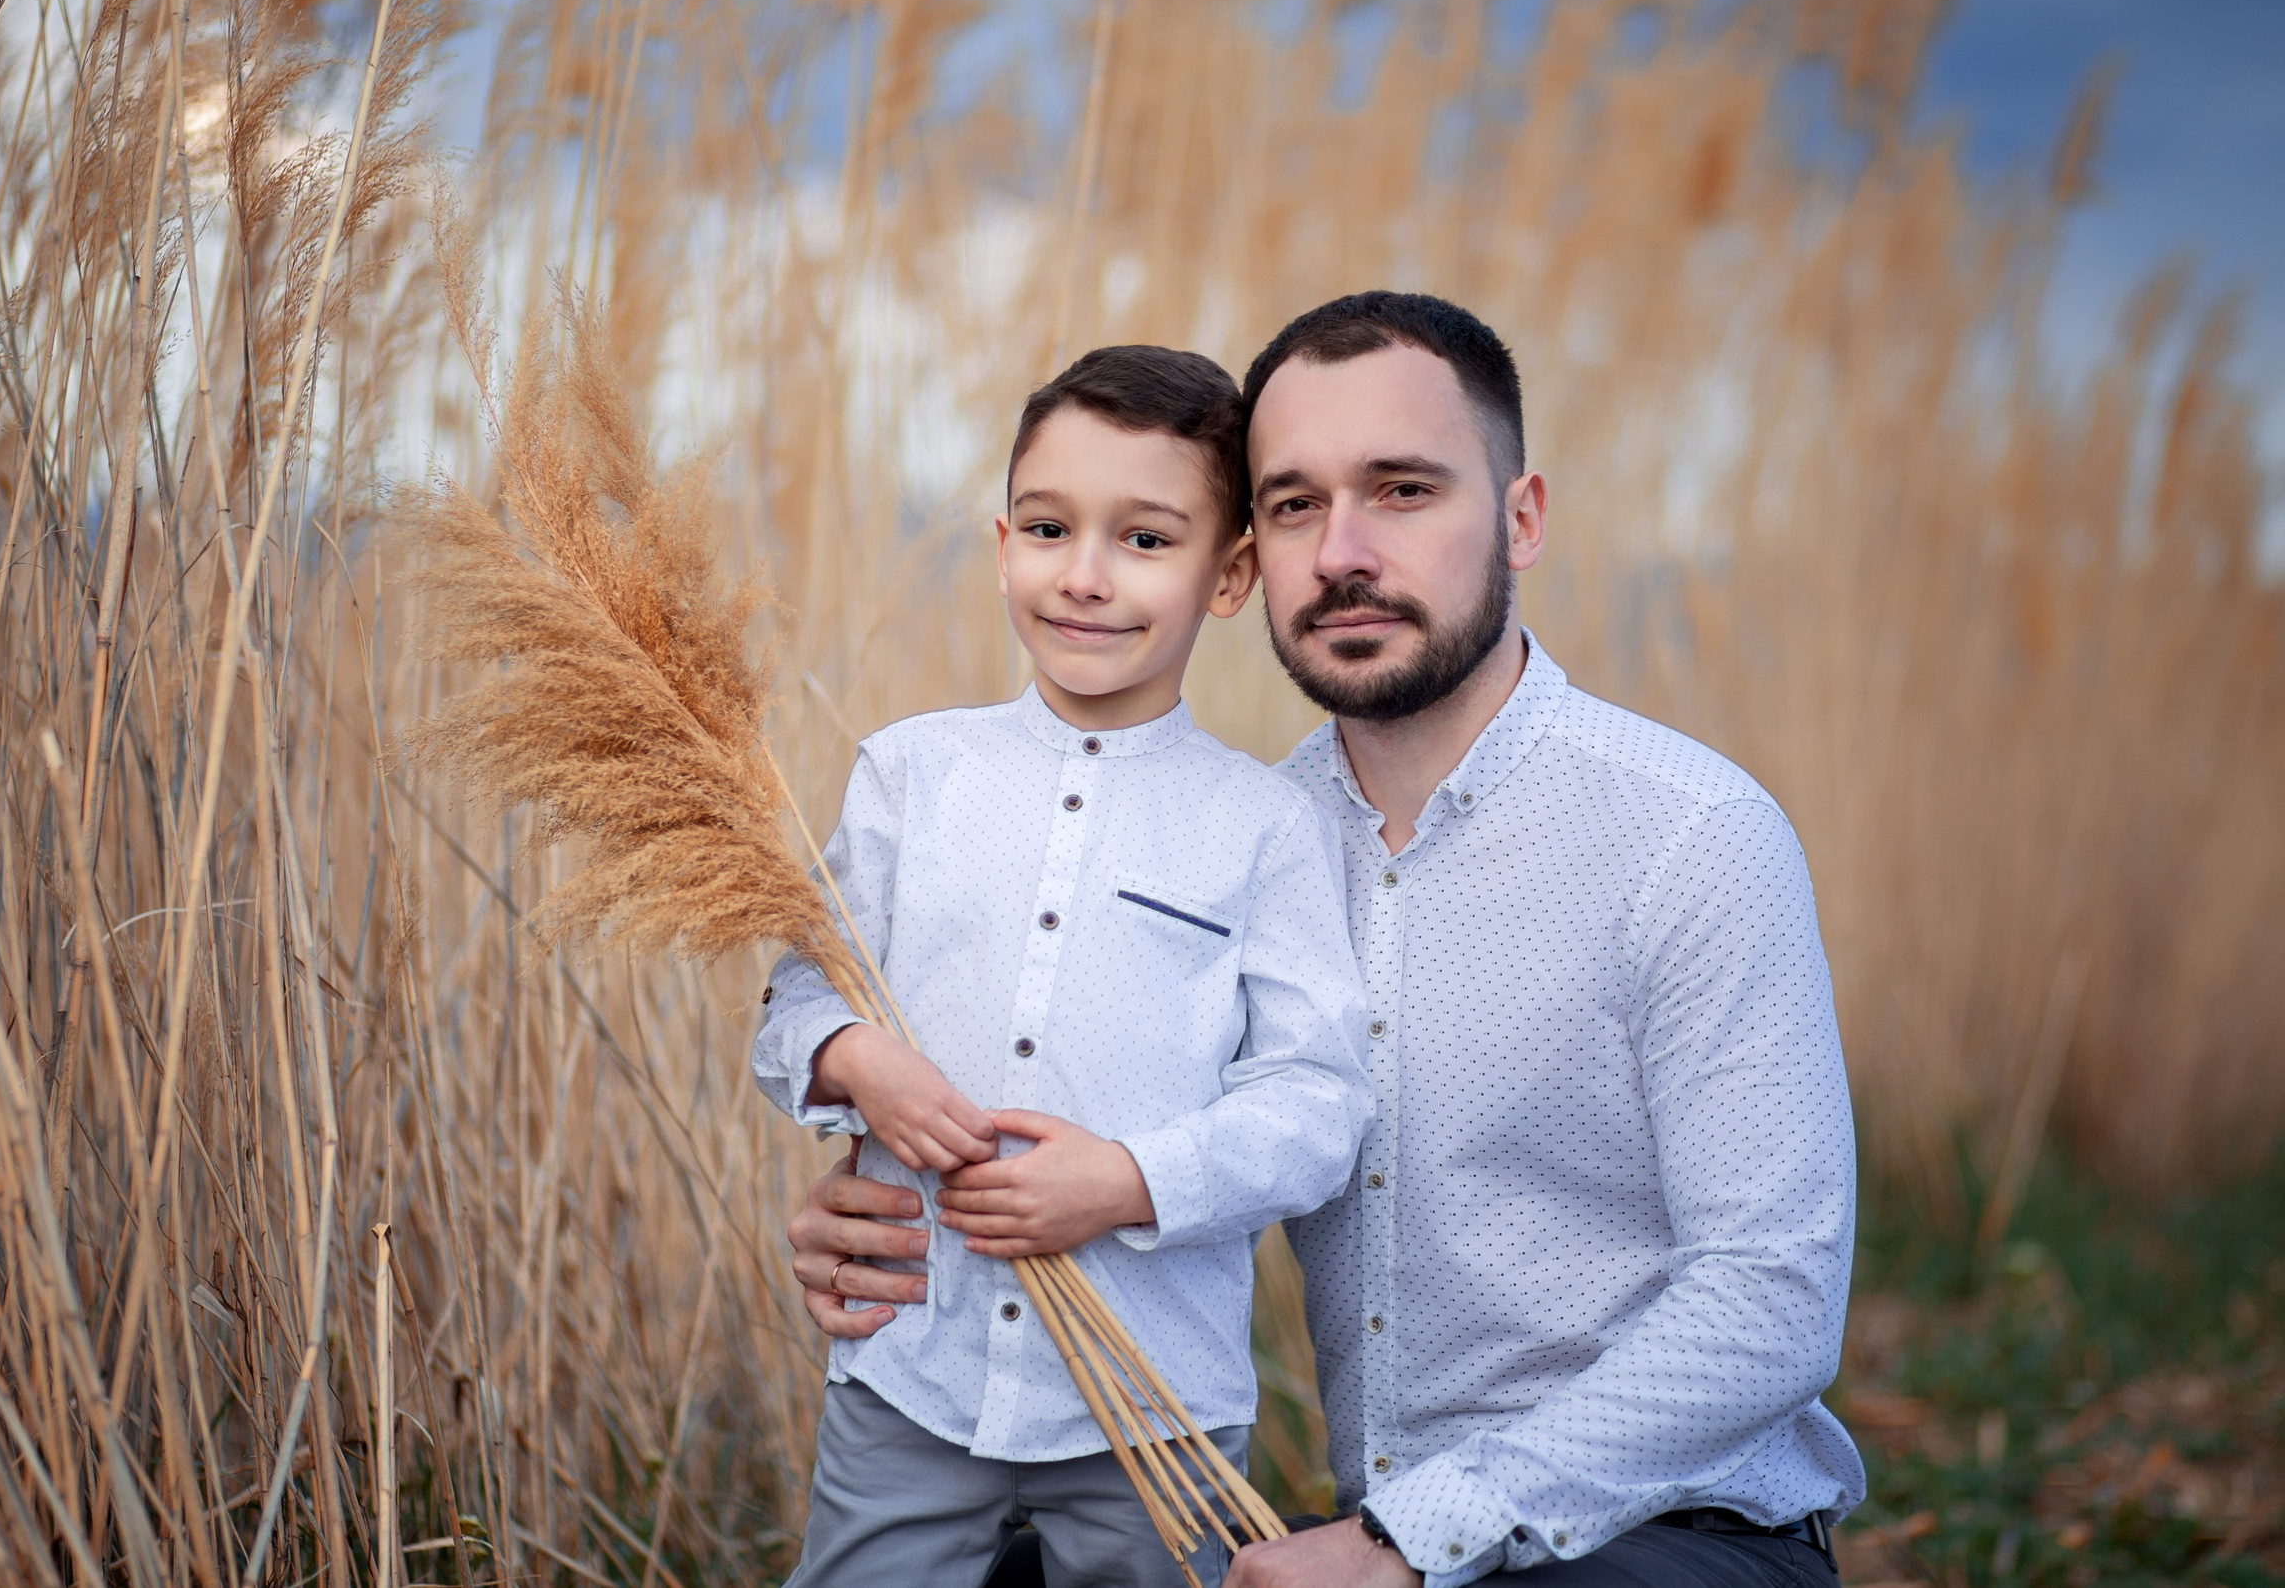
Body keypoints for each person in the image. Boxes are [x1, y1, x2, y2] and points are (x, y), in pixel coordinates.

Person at [785, 293, 1864, 1588]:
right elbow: (1052, 1084)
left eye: (1402, 490)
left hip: (1662, 1537)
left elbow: (1772, 1300)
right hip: (1355, 1537)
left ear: (1522, 516)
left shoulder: (1691, 835)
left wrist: (1414, 1536)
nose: (1342, 550)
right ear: (1250, 551)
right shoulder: (1230, 840)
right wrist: (886, 1198)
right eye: (1295, 502)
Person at [752, 345, 1377, 1586]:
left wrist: (1129, 1182)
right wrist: (852, 1056)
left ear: (1231, 572)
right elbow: (793, 997)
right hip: (908, 1363)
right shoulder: (908, 776)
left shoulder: (1264, 827)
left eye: (1145, 540)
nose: (1083, 577)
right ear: (1000, 544)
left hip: (1155, 1401)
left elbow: (1318, 1107)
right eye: (1048, 528)